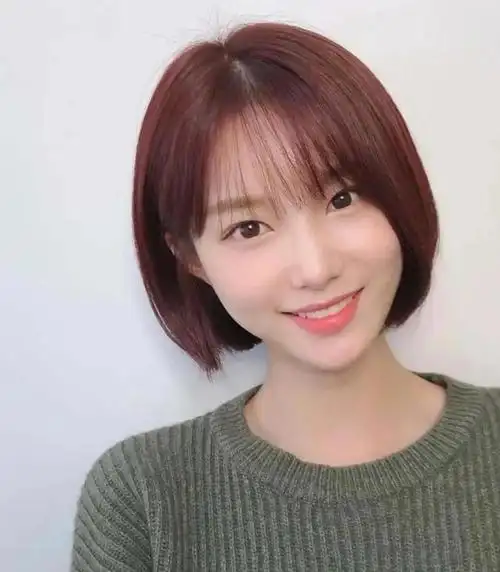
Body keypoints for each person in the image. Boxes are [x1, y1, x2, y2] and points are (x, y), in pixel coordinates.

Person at [70, 21, 500, 571]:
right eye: (248, 228)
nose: (316, 269)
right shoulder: (141, 497)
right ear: (191, 258)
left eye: (342, 198)